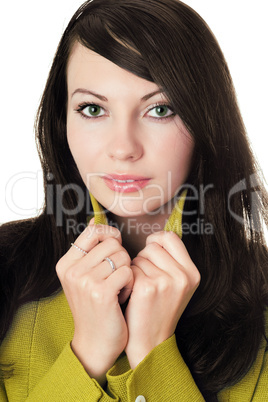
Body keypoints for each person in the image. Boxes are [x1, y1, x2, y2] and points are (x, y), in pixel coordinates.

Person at [0, 0, 267, 400]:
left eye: (160, 109)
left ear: (206, 123)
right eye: (92, 108)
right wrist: (88, 352)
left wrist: (154, 355)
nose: (123, 148)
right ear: (62, 122)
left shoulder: (261, 297)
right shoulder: (5, 272)